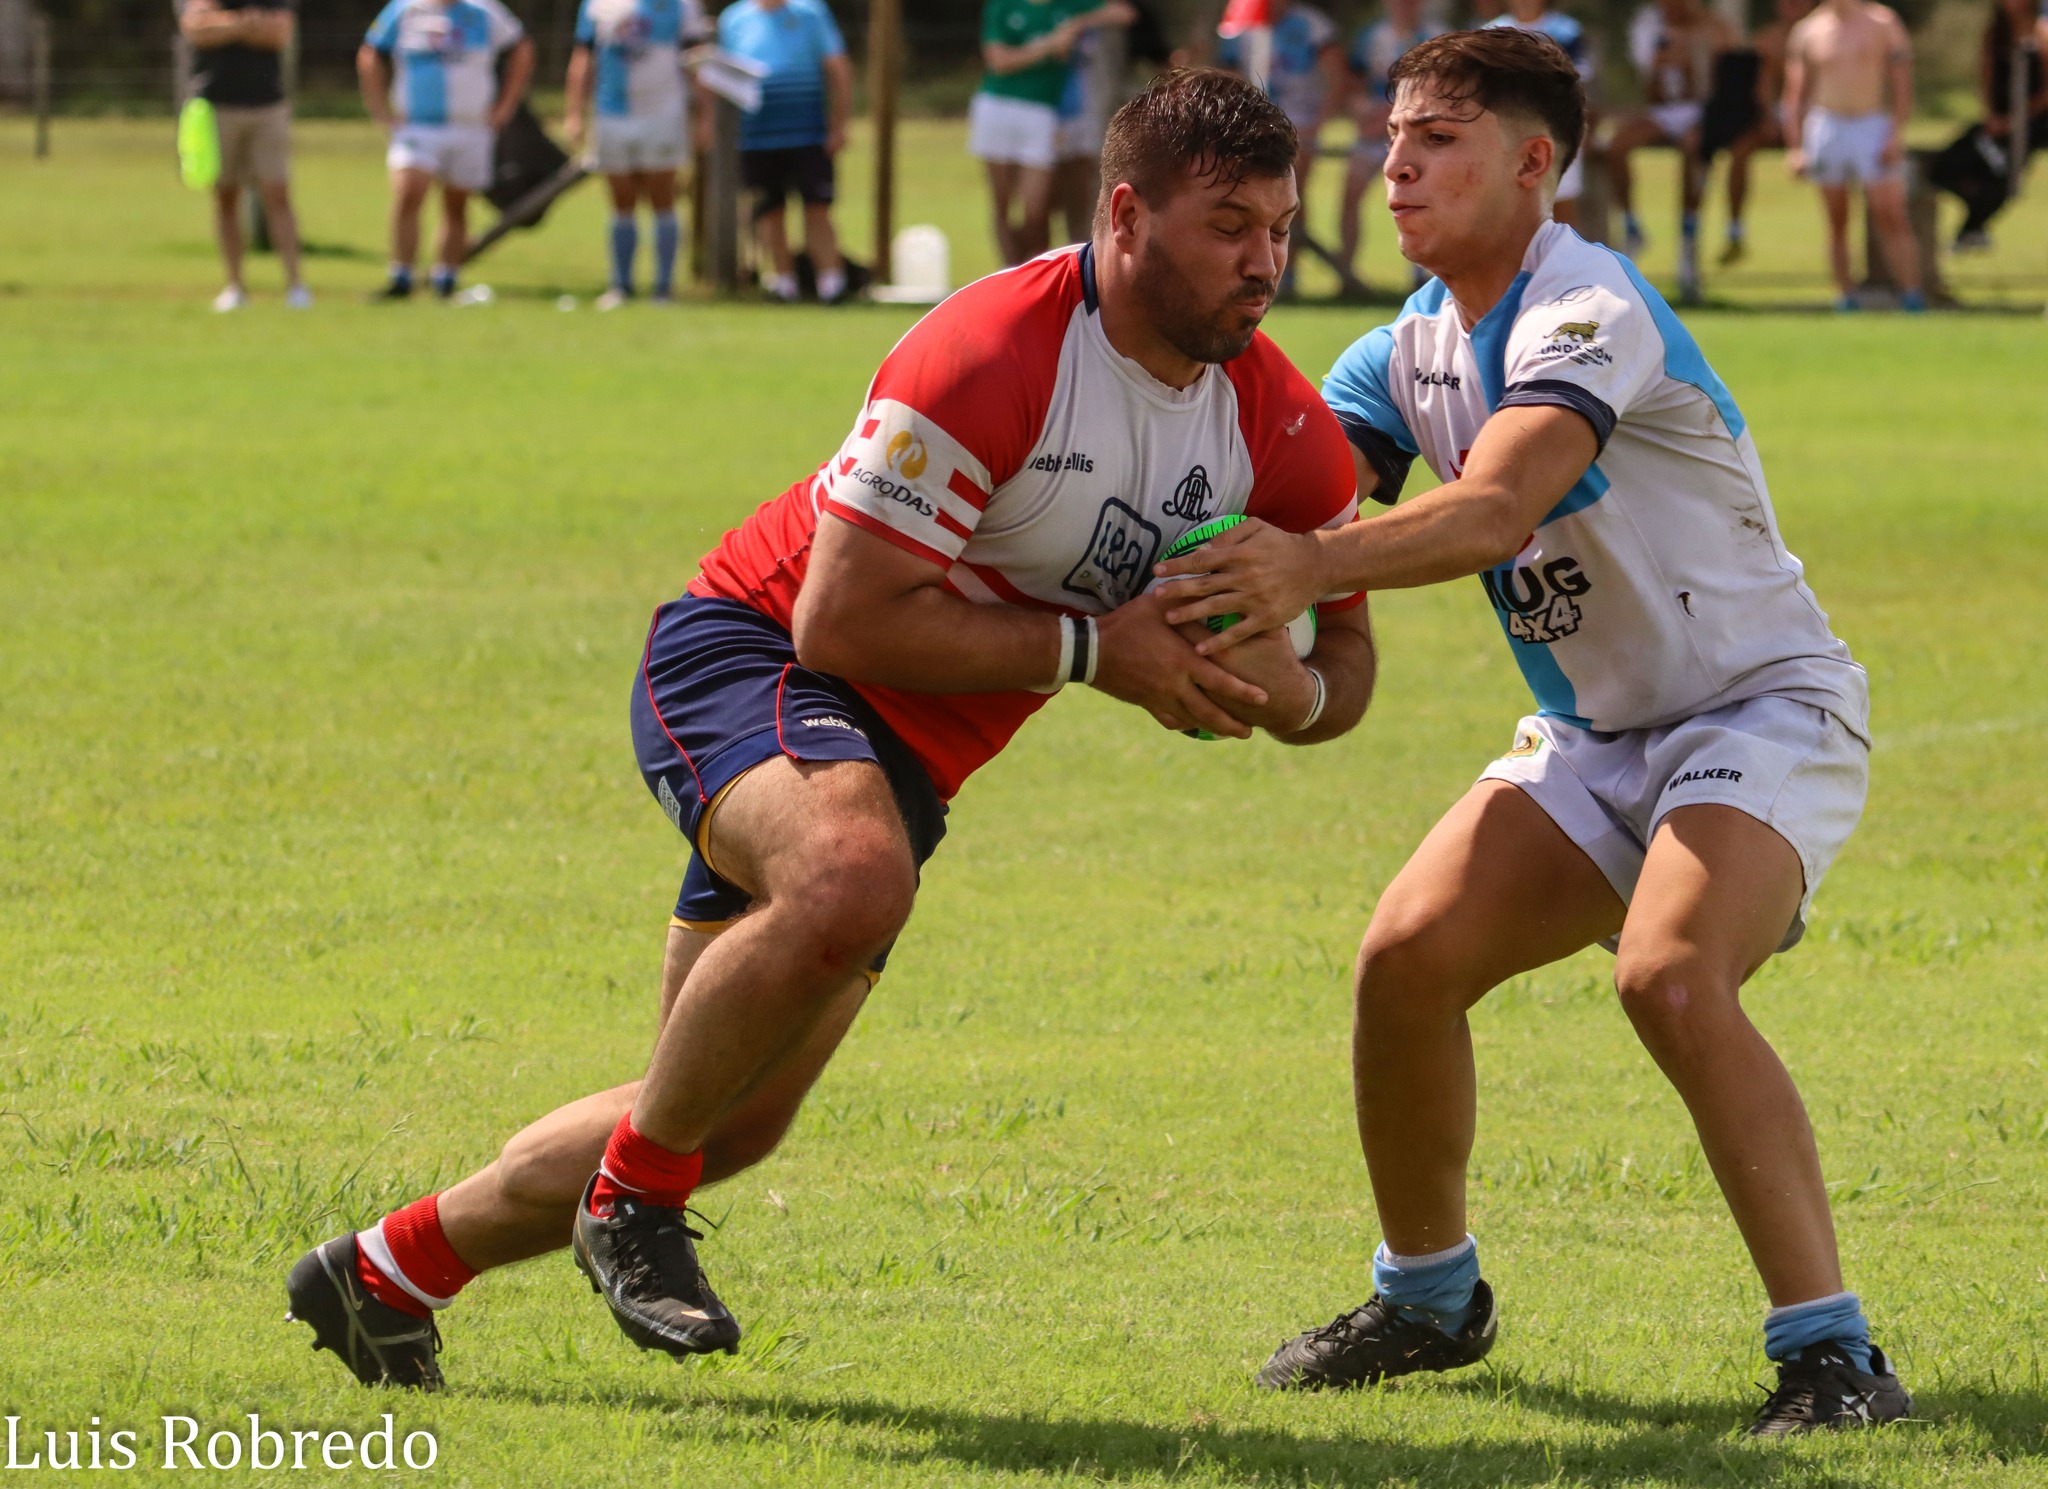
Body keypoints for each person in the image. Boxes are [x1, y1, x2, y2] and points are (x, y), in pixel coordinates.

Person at [282, 67, 1380, 1392]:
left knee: (723, 1114)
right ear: (1128, 214)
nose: (1263, 262)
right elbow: (841, 621)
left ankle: (381, 1274)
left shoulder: (1272, 416)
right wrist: (1102, 650)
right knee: (848, 881)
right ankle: (631, 1206)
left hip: (905, 757)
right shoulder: (993, 349)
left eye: (1279, 226)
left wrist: (1293, 687)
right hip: (752, 652)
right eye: (1228, 227)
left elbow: (1348, 649)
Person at [1153, 27, 1909, 1436]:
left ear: (1533, 161)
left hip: (1761, 707)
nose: (1392, 166)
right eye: (1388, 139)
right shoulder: (1404, 348)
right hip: (1600, 738)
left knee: (1670, 978)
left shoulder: (1587, 306)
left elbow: (1495, 511)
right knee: (1404, 961)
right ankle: (1431, 1301)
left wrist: (1308, 575)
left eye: (1434, 137)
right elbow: (1293, 489)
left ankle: (1837, 1357)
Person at [358, 0, 535, 301]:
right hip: (417, 126)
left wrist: (506, 105)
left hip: (469, 125)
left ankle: (446, 280)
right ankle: (402, 277)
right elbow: (370, 53)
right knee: (408, 193)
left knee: (456, 203)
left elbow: (522, 49)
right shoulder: (404, 10)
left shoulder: (485, 12)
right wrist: (379, 109)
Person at [564, 0, 711, 309]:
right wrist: (574, 112)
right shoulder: (596, 5)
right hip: (611, 113)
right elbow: (584, 57)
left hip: (663, 112)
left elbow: (696, 59)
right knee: (621, 199)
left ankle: (663, 288)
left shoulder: (682, 5)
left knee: (663, 197)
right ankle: (621, 285)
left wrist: (705, 114)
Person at [1783, 0, 1924, 310]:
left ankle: (1912, 294)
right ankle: (1845, 296)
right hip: (1827, 124)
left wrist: (1895, 134)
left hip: (1871, 122)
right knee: (1836, 219)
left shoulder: (1883, 22)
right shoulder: (1809, 29)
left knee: (1890, 214)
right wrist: (1796, 147)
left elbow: (1901, 82)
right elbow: (1796, 91)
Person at [974, 0, 1136, 267]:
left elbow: (1123, 13)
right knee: (1002, 203)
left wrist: (1076, 24)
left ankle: (1032, 272)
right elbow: (999, 60)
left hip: (1041, 113)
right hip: (998, 108)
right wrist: (1049, 45)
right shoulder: (1002, 5)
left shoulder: (1067, 6)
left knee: (1035, 209)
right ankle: (1009, 274)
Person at [177, 0, 310, 310]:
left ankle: (296, 286)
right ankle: (235, 287)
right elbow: (195, 29)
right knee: (225, 195)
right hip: (217, 107)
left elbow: (279, 34)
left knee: (277, 194)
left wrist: (224, 26)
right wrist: (245, 24)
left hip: (267, 106)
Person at [718, 0, 852, 304]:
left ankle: (832, 284)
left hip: (809, 134)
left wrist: (840, 125)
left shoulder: (812, 13)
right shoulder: (734, 19)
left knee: (817, 208)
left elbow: (838, 69)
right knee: (769, 211)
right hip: (757, 137)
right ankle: (783, 284)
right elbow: (726, 77)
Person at [1607, 0, 1738, 297]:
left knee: (1694, 151)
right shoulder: (1649, 27)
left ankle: (1688, 242)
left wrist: (1692, 63)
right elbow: (1652, 93)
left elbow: (1725, 85)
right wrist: (1660, 66)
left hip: (1702, 111)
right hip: (1665, 111)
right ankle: (1632, 226)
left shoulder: (1715, 29)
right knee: (1618, 144)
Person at [1219, 0, 1342, 296]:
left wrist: (1321, 121)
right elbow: (1228, 74)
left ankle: (1288, 273)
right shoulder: (1241, 19)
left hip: (1301, 122)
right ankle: (1250, 268)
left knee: (1289, 198)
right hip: (1255, 125)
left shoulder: (1312, 24)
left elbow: (1337, 72)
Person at [1926, 0, 2045, 252]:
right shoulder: (1995, 34)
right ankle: (1973, 224)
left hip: (2034, 125)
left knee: (2004, 178)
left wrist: (2014, 122)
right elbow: (1987, 78)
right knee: (1947, 165)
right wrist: (1992, 117)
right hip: (1998, 123)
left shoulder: (2041, 34)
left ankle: (1971, 228)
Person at [1339, 0, 1442, 286]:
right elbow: (1353, 85)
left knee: (1424, 200)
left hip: (1417, 134)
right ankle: (1345, 273)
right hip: (1373, 133)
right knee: (1350, 196)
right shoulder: (1372, 37)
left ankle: (1424, 275)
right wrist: (1363, 114)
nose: (1403, 6)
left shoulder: (1436, 37)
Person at [1703, 0, 1812, 265]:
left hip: (1817, 114)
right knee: (1739, 152)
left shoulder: (1821, 34)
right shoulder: (1767, 41)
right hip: (1777, 114)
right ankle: (1735, 232)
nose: (1791, 6)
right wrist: (1767, 118)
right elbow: (1762, 86)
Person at [1482, 0, 1593, 227]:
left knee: (1563, 206)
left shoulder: (1566, 30)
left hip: (1558, 128)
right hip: (1508, 134)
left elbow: (1578, 77)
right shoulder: (1492, 32)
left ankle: (1564, 262)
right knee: (1512, 209)